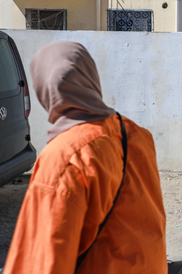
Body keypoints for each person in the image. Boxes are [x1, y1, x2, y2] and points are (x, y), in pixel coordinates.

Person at [3, 41, 167, 274]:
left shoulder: (65, 155)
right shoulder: (136, 135)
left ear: (44, 89)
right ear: (91, 78)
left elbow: (43, 260)